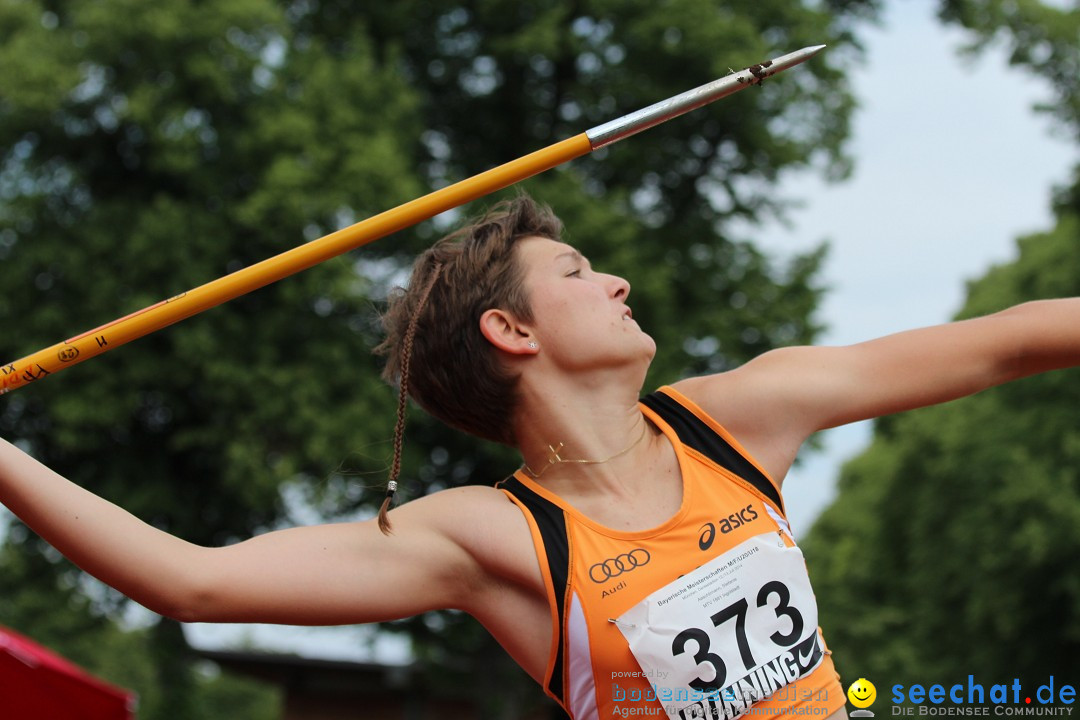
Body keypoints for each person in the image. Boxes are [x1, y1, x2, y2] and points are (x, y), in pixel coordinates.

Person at [1, 194, 1078, 720]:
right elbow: (187, 581)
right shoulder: (491, 537)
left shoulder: (737, 417)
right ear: (512, 334)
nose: (613, 283)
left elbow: (1016, 338)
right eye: (577, 270)